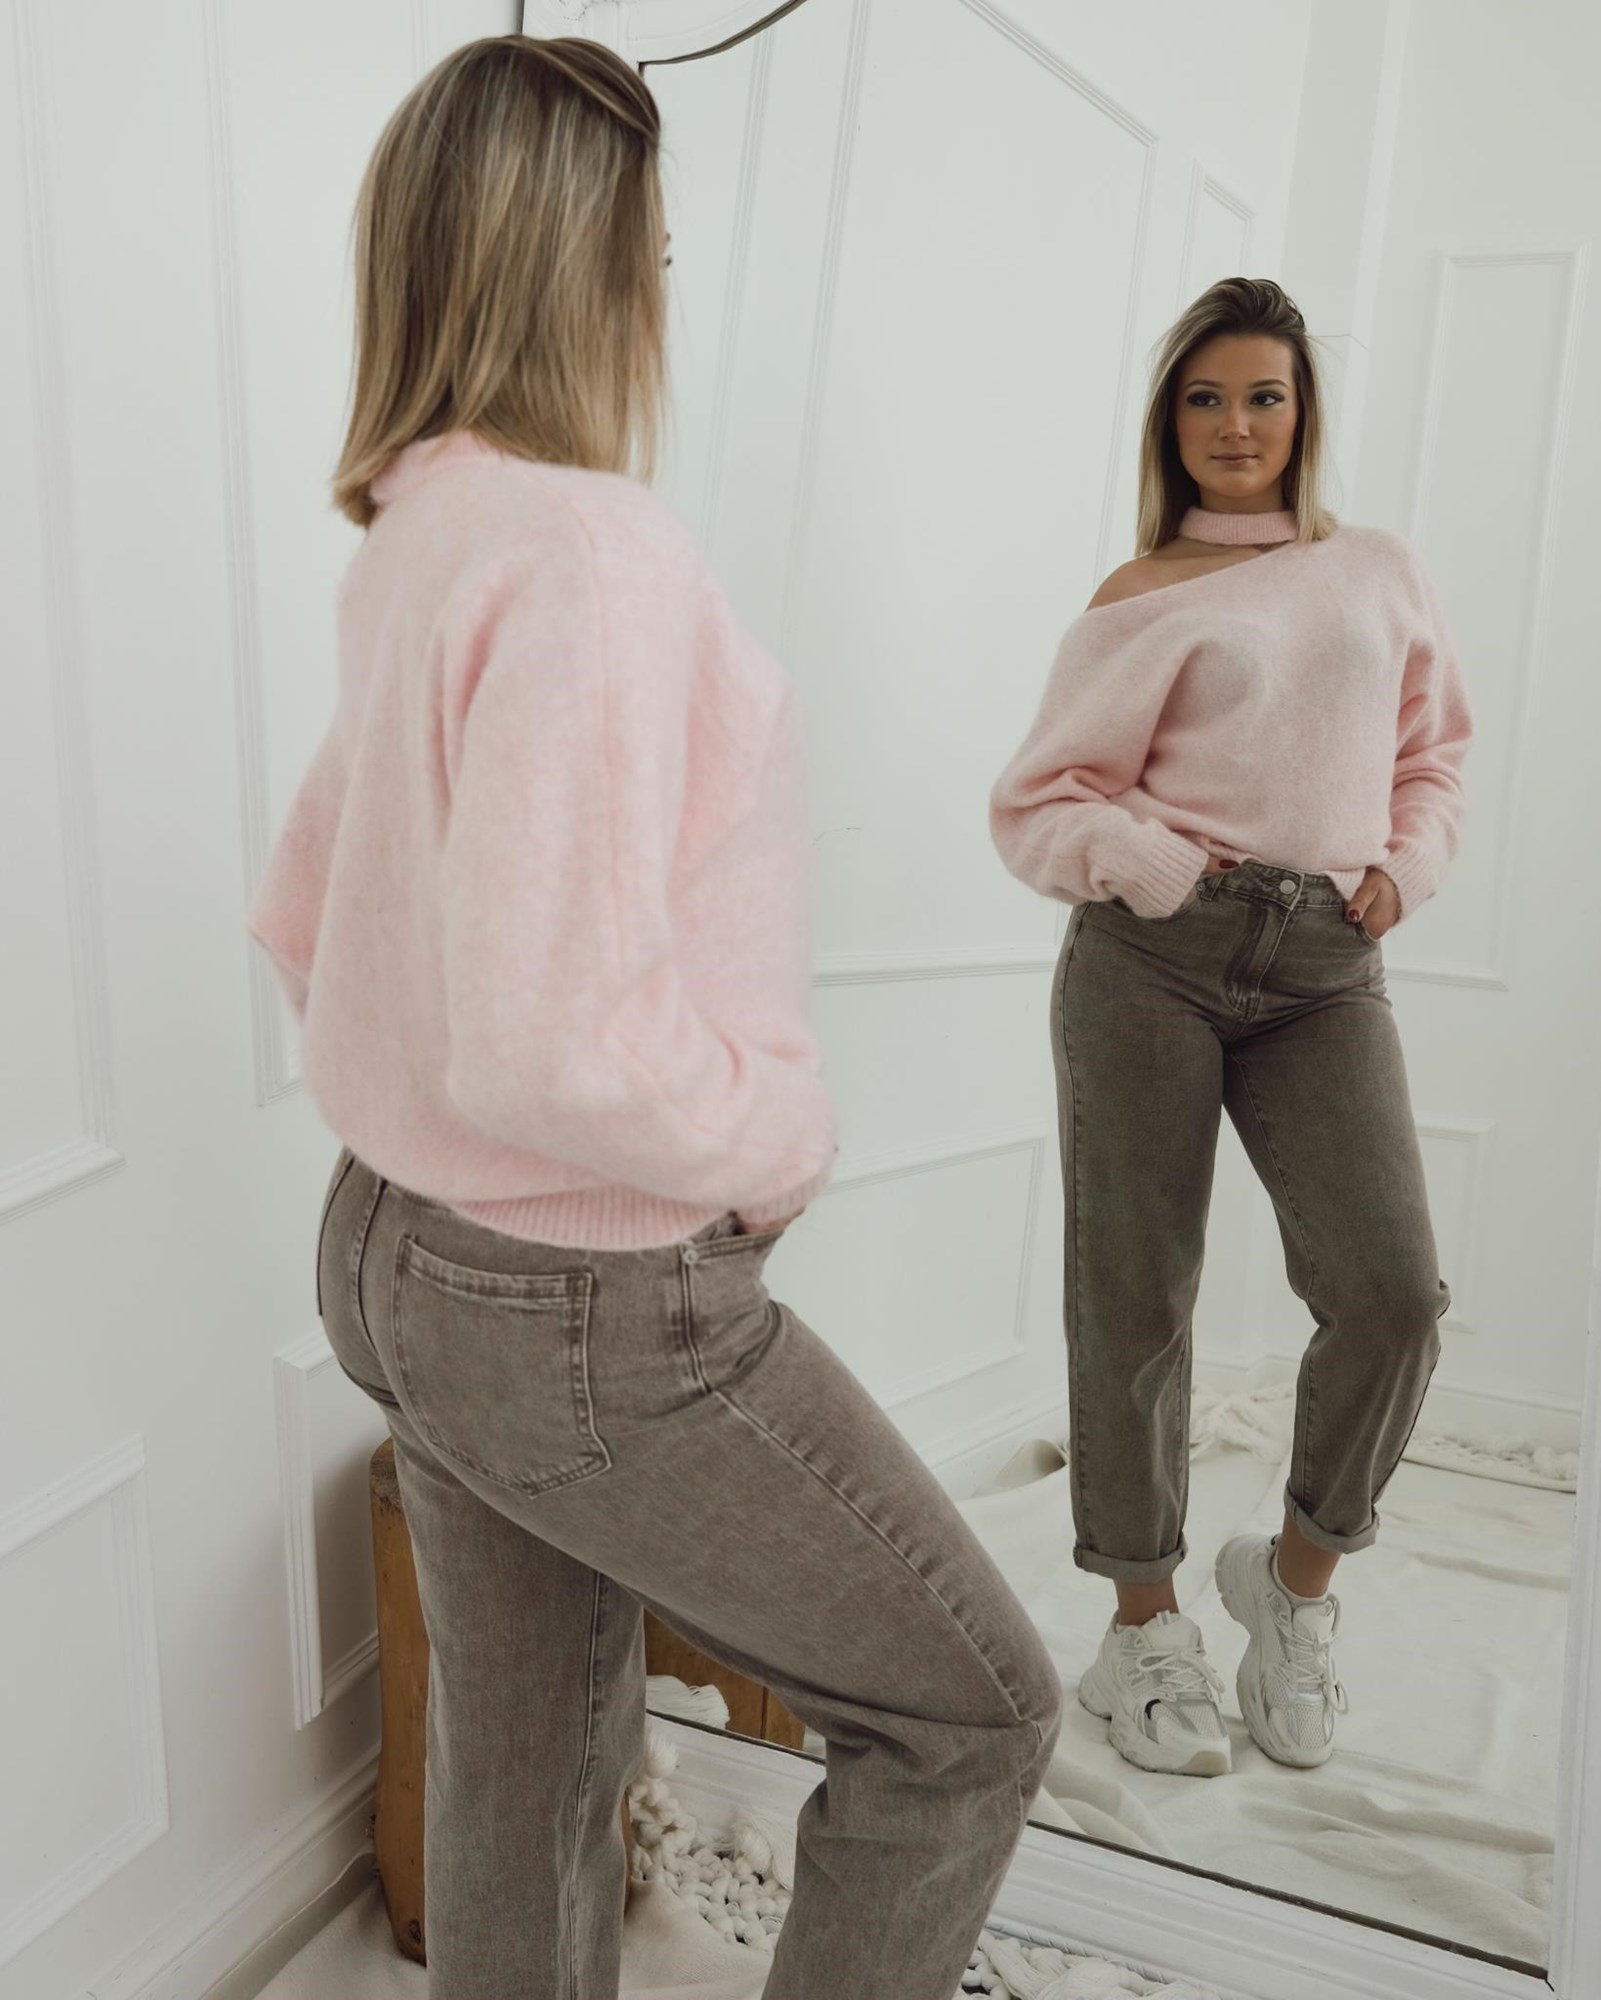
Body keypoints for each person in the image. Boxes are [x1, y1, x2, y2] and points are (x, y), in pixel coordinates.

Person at [248, 35, 1060, 2000]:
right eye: (655, 250)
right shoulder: (589, 552)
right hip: (580, 1298)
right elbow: (549, 1037)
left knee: (529, 1760)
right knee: (970, 1716)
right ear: (583, 260)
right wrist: (768, 1141)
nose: (662, 290)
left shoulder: (421, 537)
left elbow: (303, 908)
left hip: (392, 1253)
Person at [990, 277, 1471, 1778]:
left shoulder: (1375, 570)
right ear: (1170, 422)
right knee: (1134, 1299)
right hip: (1153, 957)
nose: (1235, 426)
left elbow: (1433, 757)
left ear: (1303, 412)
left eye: (1263, 396)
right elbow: (1038, 801)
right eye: (1205, 399)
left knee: (1392, 1294)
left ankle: (1291, 1585)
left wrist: (1405, 869)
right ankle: (1141, 1631)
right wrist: (1154, 869)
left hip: (1327, 964)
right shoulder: (1138, 595)